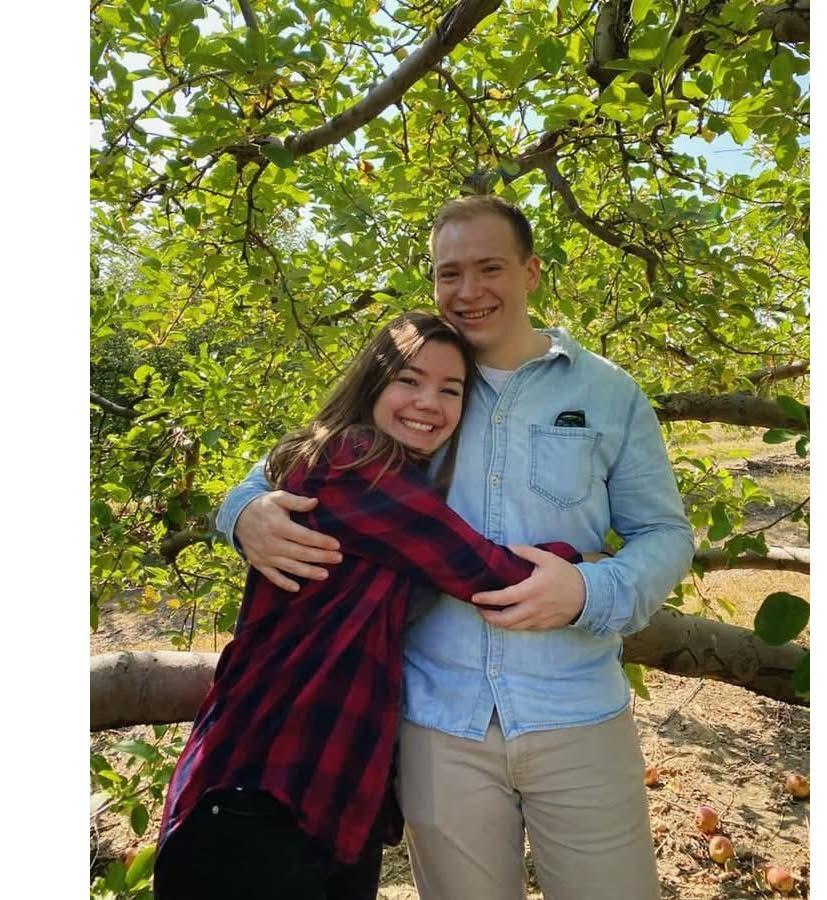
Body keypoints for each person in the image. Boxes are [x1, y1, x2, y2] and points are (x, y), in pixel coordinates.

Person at [217, 197, 695, 900]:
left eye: (490, 267)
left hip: (577, 711)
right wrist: (242, 515)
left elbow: (665, 533)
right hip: (439, 720)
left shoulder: (609, 392)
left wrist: (592, 590)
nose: (469, 291)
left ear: (531, 272)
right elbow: (279, 471)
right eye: (450, 273)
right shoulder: (413, 388)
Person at [153, 311, 582, 900]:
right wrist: (581, 554)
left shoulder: (393, 474)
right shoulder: (357, 462)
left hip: (324, 802)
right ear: (372, 382)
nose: (429, 402)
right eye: (409, 380)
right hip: (262, 793)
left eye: (451, 390)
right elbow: (485, 572)